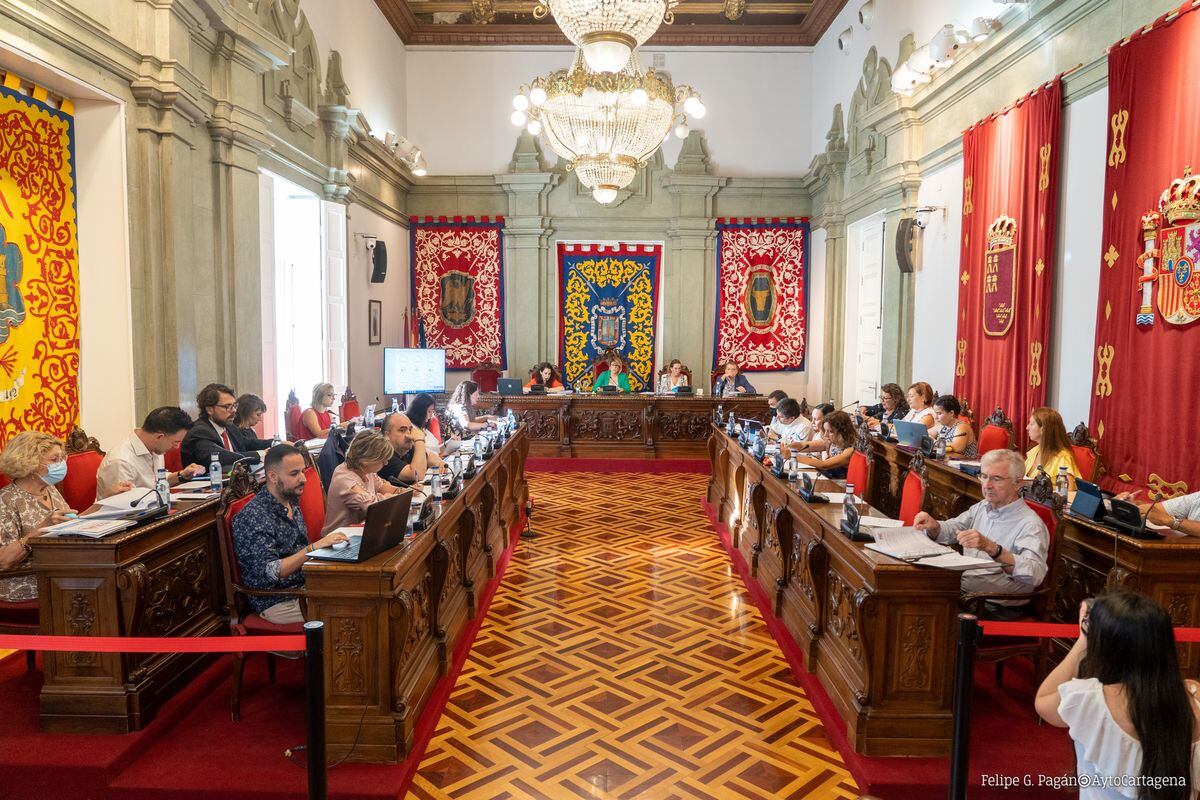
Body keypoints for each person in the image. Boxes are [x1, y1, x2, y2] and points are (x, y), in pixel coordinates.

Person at [1035, 592, 1200, 800]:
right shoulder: (1194, 697)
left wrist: (1083, 640)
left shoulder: (1088, 698)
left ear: (1104, 647)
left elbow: (1043, 700)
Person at [913, 449, 1049, 618]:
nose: (987, 485)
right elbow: (954, 528)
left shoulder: (1030, 524)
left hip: (994, 607)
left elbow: (1035, 574)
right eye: (983, 476)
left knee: (921, 615)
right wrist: (934, 526)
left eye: (996, 478)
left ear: (1018, 483)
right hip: (964, 594)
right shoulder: (983, 506)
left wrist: (993, 549)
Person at [231, 443, 349, 624]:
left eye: (302, 471)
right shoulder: (254, 515)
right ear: (272, 476)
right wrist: (313, 548)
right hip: (277, 600)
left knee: (362, 587)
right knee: (353, 605)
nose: (304, 479)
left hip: (304, 586)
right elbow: (269, 572)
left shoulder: (290, 500)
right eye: (294, 474)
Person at [0, 432, 77, 602]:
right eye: (54, 459)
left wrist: (104, 502)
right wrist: (40, 530)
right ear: (31, 464)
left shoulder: (49, 489)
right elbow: (4, 561)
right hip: (26, 582)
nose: (61, 464)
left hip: (56, 571)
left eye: (62, 458)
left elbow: (70, 521)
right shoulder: (6, 501)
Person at [96, 406, 206, 499]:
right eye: (175, 442)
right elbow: (123, 504)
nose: (177, 447)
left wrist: (182, 475)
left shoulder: (154, 448)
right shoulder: (121, 461)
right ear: (159, 437)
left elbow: (157, 481)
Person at [322, 430, 404, 536]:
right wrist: (389, 497)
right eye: (383, 460)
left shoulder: (365, 470)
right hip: (338, 541)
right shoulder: (344, 479)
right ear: (367, 459)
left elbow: (383, 486)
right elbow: (373, 506)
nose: (386, 463)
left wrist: (405, 490)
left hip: (358, 534)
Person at [181, 383, 267, 468]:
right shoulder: (199, 431)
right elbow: (224, 457)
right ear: (209, 410)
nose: (234, 410)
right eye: (227, 406)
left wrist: (275, 443)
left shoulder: (229, 426)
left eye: (234, 406)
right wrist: (263, 454)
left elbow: (247, 443)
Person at [1025, 406, 1081, 489]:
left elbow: (1069, 491)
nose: (1027, 427)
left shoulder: (1062, 457)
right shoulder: (1034, 451)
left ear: (1043, 429)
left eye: (1031, 424)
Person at [796, 410, 857, 479]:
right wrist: (789, 447)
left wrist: (793, 456)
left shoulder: (850, 450)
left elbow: (823, 465)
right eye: (825, 430)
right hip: (827, 479)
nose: (826, 435)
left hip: (840, 485)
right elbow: (804, 445)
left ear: (842, 432)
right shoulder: (832, 442)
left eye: (830, 431)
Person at [378, 411, 429, 486]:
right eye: (402, 430)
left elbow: (429, 457)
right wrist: (419, 440)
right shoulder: (384, 455)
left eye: (410, 429)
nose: (408, 434)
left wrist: (440, 463)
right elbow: (418, 474)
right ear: (387, 435)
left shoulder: (405, 447)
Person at [405, 393, 455, 467]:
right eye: (429, 411)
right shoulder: (412, 430)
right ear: (419, 411)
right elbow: (425, 455)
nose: (431, 415)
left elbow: (434, 449)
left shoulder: (423, 428)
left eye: (432, 411)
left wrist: (448, 443)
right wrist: (439, 457)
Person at [1123, 489, 1200, 538]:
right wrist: (1128, 504)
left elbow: (1164, 518)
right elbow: (1153, 510)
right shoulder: (1197, 497)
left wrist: (1169, 521)